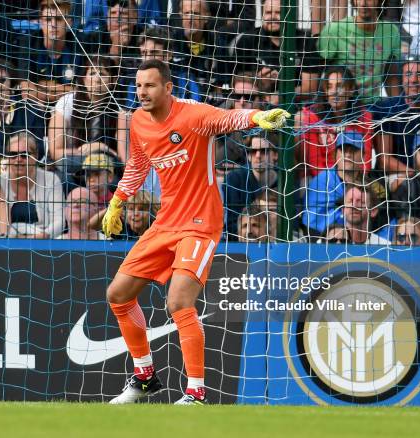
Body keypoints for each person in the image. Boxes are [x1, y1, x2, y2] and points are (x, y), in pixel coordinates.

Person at [100, 59, 289, 404]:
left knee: (178, 301)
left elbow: (225, 118)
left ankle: (196, 393)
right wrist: (117, 202)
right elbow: (138, 164)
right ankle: (145, 378)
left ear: (168, 88)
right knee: (119, 294)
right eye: (139, 85)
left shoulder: (192, 114)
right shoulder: (139, 122)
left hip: (200, 223)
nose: (142, 92)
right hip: (166, 221)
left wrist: (256, 118)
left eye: (150, 85)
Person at [294, 66, 375, 180]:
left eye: (339, 86)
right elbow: (315, 164)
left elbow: (366, 160)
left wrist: (355, 182)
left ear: (351, 90)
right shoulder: (311, 117)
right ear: (325, 91)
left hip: (354, 178)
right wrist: (336, 184)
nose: (334, 92)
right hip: (320, 180)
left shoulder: (364, 117)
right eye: (329, 87)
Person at [233, 0, 322, 103]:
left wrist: (281, 96)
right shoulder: (247, 40)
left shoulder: (305, 42)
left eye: (279, 12)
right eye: (268, 13)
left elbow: (310, 89)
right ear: (262, 15)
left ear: (289, 14)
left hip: (295, 106)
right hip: (254, 103)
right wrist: (257, 80)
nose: (273, 17)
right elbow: (235, 81)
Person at [318, 0, 402, 105]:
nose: (363, 3)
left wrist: (396, 108)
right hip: (343, 108)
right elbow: (318, 73)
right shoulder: (334, 30)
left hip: (374, 107)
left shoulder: (391, 31)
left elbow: (391, 76)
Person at [0, 132, 64, 238]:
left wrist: (40, 237)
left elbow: (60, 221)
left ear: (35, 156)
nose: (18, 159)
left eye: (24, 155)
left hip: (43, 243)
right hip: (8, 244)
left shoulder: (51, 180)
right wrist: (14, 237)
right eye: (13, 155)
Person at [47, 56, 121, 160]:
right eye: (92, 74)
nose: (97, 79)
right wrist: (87, 152)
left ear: (112, 81)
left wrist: (101, 147)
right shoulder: (66, 103)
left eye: (103, 74)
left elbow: (122, 159)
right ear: (84, 80)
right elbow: (55, 152)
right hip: (71, 166)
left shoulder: (118, 109)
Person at [302, 131, 366, 235]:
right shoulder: (320, 182)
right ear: (336, 154)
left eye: (353, 150)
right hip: (320, 239)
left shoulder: (369, 184)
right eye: (343, 150)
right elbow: (311, 221)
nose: (348, 154)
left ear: (363, 155)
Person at [17, 0, 79, 105]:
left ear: (69, 22)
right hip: (37, 108)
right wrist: (68, 90)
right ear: (41, 22)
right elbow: (27, 92)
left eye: (59, 19)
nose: (53, 24)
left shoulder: (79, 45)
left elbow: (83, 92)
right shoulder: (28, 43)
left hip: (71, 108)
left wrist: (41, 85)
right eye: (48, 19)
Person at [223, 132, 279, 240]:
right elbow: (230, 225)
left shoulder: (285, 182)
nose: (258, 156)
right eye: (253, 151)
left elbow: (293, 223)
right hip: (242, 244)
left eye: (264, 151)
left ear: (275, 155)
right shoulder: (234, 180)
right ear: (248, 156)